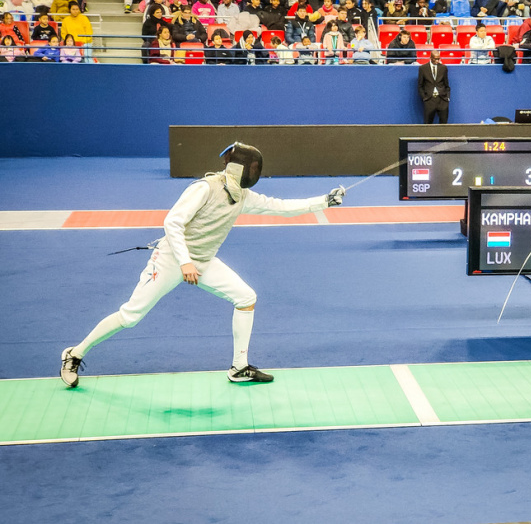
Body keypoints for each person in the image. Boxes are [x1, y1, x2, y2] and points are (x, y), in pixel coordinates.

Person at [60, 143, 346, 388]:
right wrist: (185, 262)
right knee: (130, 315)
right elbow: (173, 222)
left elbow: (281, 207)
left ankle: (239, 367)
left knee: (246, 297)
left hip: (203, 261)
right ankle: (74, 353)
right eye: (252, 168)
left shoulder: (241, 196)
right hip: (172, 259)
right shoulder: (204, 188)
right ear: (240, 168)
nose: (255, 173)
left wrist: (325, 201)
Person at [418, 50, 450, 124]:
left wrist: (447, 97)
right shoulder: (423, 68)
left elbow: (446, 84)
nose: (437, 61)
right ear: (431, 58)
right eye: (435, 59)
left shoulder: (443, 68)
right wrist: (424, 98)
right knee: (428, 125)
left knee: (444, 125)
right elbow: (420, 85)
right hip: (429, 100)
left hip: (442, 99)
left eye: (438, 59)